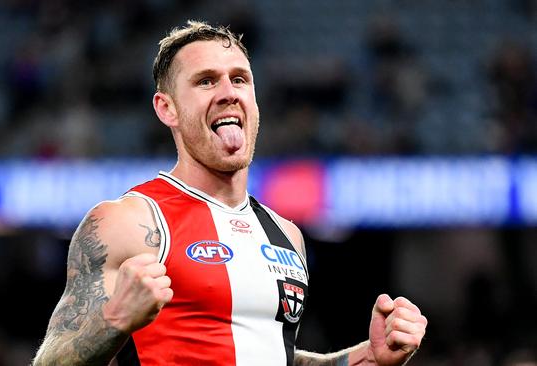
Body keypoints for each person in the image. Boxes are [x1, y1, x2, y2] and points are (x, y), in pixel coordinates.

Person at [32, 20, 427, 366]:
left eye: (239, 78)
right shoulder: (127, 223)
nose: (228, 91)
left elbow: (275, 358)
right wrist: (113, 322)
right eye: (206, 81)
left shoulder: (286, 235)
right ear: (166, 108)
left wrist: (367, 358)